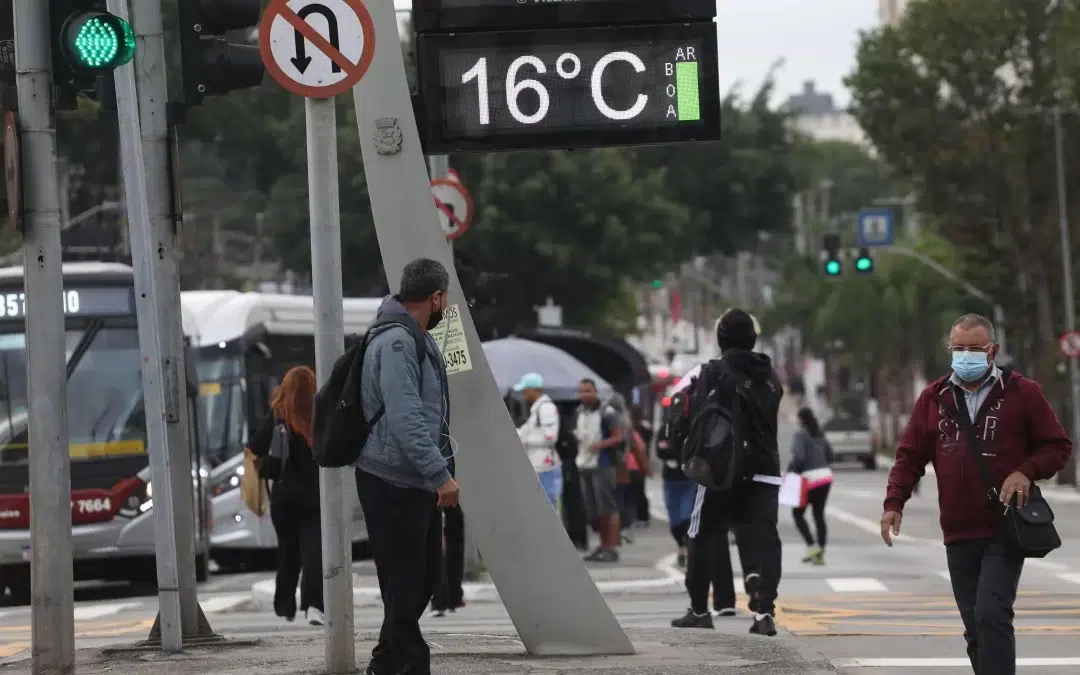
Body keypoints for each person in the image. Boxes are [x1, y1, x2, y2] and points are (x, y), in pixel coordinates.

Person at [881, 313, 1072, 675]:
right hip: (957, 530)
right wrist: (894, 503)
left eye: (974, 348)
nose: (965, 355)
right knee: (974, 628)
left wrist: (1025, 472)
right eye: (958, 348)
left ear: (993, 351)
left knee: (992, 615)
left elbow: (1057, 447)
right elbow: (909, 457)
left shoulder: (1022, 392)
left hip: (1004, 527)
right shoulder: (934, 397)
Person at [354, 258, 459, 675]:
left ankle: (384, 663)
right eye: (444, 299)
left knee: (421, 579)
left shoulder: (411, 336)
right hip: (391, 478)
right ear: (435, 297)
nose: (443, 306)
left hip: (409, 478)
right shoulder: (397, 342)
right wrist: (440, 474)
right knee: (404, 582)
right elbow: (406, 417)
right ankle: (411, 665)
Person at [671, 309, 783, 637]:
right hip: (764, 470)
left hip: (720, 468)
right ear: (753, 339)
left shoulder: (710, 372)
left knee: (702, 535)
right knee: (765, 539)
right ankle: (764, 614)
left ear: (721, 339)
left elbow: (681, 406)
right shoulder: (770, 376)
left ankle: (699, 609)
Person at [248, 366, 325, 626]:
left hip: (284, 498)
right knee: (314, 552)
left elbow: (256, 446)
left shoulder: (278, 413)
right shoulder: (319, 413)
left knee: (288, 551)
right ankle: (314, 605)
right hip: (315, 497)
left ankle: (285, 605)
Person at [574, 379, 625, 562]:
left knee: (607, 508)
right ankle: (602, 545)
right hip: (584, 464)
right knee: (593, 509)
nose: (584, 395)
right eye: (581, 391)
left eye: (588, 391)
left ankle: (611, 546)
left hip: (602, 464)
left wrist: (601, 445)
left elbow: (619, 436)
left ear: (595, 391)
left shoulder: (607, 412)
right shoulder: (579, 412)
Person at [788, 407, 834, 566]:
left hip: (809, 479)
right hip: (826, 477)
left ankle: (812, 546)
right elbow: (831, 456)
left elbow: (799, 458)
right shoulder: (820, 435)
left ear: (801, 419)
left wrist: (791, 471)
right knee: (819, 515)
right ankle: (820, 551)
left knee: (797, 514)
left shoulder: (800, 435)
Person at [514, 372, 563, 507]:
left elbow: (550, 438)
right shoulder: (537, 409)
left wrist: (524, 440)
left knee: (550, 508)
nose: (523, 393)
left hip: (546, 467)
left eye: (525, 389)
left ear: (534, 389)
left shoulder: (546, 408)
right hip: (538, 466)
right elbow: (525, 431)